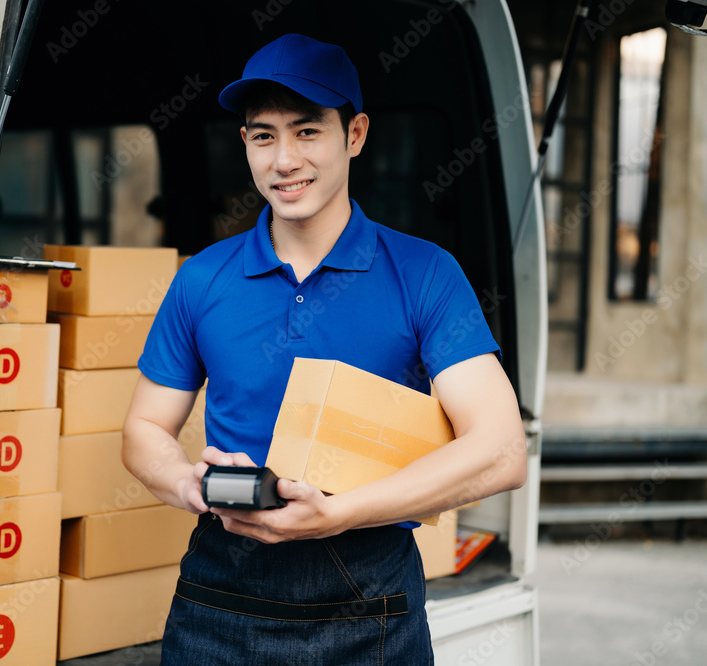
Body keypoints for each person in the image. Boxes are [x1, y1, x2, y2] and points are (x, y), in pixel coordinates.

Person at [122, 33, 527, 665]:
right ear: (246, 144)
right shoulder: (203, 277)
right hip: (218, 604)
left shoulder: (423, 273)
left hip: (369, 606)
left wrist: (342, 513)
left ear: (356, 134)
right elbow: (144, 427)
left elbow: (501, 451)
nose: (284, 160)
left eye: (308, 131)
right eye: (263, 136)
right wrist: (186, 481)